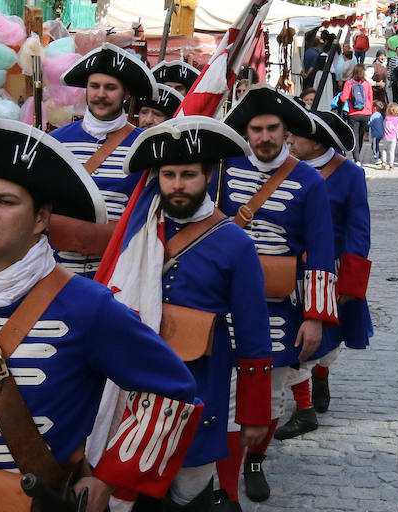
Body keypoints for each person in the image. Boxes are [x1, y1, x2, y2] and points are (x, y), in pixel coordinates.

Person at [0, 115, 204, 512]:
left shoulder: (87, 305)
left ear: (41, 218)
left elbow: (173, 388)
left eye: (5, 201)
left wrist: (112, 479)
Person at [105, 117, 273, 511]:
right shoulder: (136, 234)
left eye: (188, 174)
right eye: (168, 174)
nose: (178, 184)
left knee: (188, 493)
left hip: (200, 390)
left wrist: (253, 414)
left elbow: (253, 336)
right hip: (132, 383)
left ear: (209, 176)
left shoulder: (235, 244)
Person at [216, 84, 338, 504]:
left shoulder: (308, 182)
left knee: (266, 398)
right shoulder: (224, 170)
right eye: (256, 129)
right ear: (246, 132)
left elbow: (322, 251)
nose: (264, 137)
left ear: (286, 132)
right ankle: (227, 487)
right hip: (223, 304)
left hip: (279, 308)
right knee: (225, 395)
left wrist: (315, 316)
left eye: (273, 128)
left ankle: (255, 460)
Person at [279, 110, 372, 438]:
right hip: (290, 270)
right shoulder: (285, 168)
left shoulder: (350, 175)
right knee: (295, 341)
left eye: (295, 136)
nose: (287, 140)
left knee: (327, 343)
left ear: (317, 142)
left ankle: (321, 376)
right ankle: (305, 408)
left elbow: (359, 231)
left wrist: (351, 280)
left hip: (330, 270)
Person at [50, 43, 156, 278]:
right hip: (60, 271)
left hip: (120, 272)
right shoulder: (56, 141)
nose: (100, 94)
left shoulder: (145, 145)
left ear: (125, 93)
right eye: (94, 86)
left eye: (110, 88)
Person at [341, 65, 375, 161]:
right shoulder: (367, 84)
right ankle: (358, 155)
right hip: (365, 114)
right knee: (360, 136)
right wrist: (369, 112)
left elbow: (343, 98)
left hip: (353, 114)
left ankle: (357, 160)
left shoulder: (349, 83)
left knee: (354, 136)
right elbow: (370, 99)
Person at [382, 102, 398, 170]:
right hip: (393, 137)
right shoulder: (397, 119)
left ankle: (383, 162)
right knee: (392, 151)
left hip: (386, 136)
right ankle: (391, 165)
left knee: (384, 149)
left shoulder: (386, 118)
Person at [368, 100, 386, 168]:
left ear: (374, 108)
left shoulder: (373, 116)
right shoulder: (380, 115)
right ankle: (379, 155)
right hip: (381, 133)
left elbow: (370, 123)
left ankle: (378, 158)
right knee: (375, 145)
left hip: (375, 134)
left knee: (374, 146)